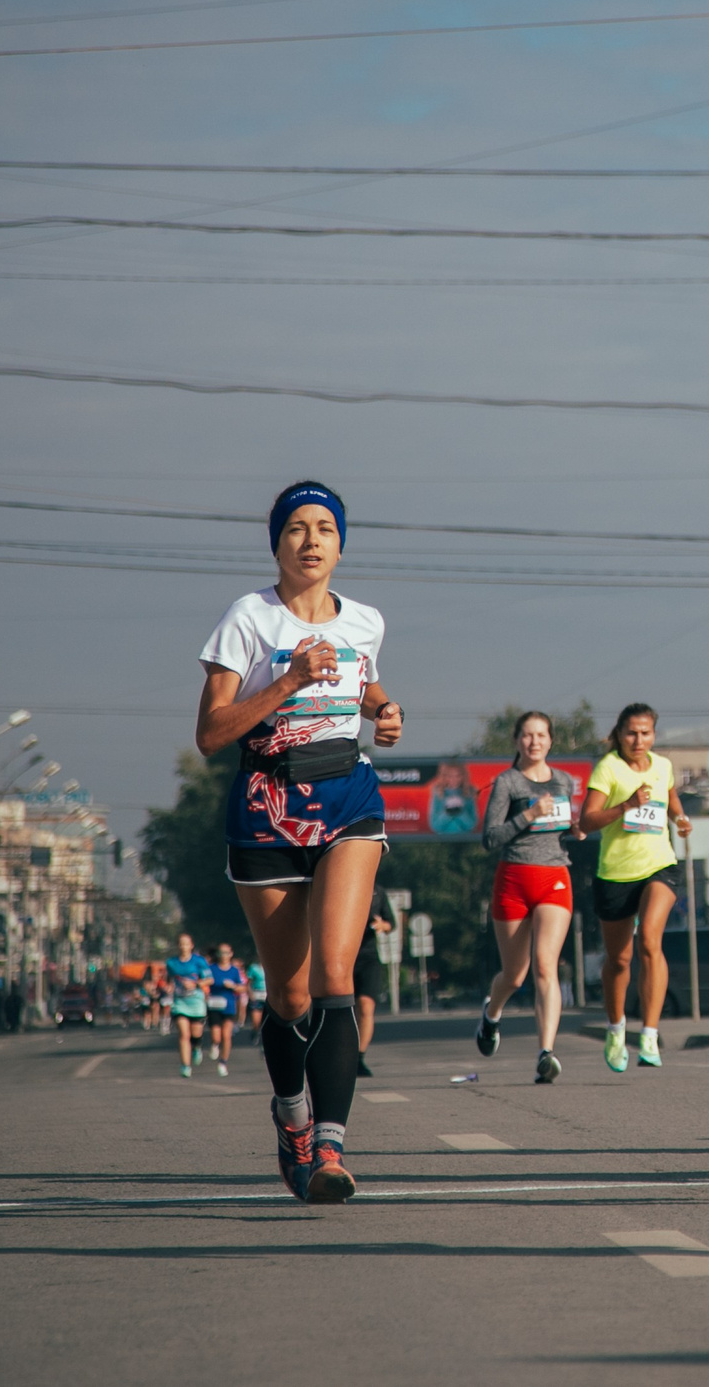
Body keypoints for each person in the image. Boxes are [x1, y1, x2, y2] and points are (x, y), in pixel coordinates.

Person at [197, 479, 403, 1204]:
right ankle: (291, 1119)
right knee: (288, 993)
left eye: (324, 528)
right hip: (267, 807)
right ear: (276, 543)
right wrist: (287, 680)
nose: (311, 540)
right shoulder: (247, 619)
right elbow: (211, 734)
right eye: (296, 529)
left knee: (335, 977)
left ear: (342, 544)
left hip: (348, 798)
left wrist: (384, 709)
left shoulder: (366, 622)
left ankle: (331, 1149)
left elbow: (364, 682)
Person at [578, 703, 687, 1073]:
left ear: (654, 734)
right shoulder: (609, 768)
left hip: (659, 864)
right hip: (616, 873)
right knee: (619, 959)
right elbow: (588, 820)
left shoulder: (663, 765)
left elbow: (671, 800)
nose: (638, 740)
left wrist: (682, 818)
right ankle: (615, 1027)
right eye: (631, 733)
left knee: (650, 942)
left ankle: (651, 1034)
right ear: (619, 734)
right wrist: (626, 805)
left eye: (645, 733)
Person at [476, 711, 582, 1083]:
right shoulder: (507, 783)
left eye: (541, 735)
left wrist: (576, 829)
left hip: (554, 876)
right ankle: (492, 1014)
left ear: (551, 741)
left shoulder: (565, 781)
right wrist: (529, 815)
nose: (534, 742)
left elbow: (564, 829)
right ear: (517, 741)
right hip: (513, 881)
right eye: (527, 735)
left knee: (544, 965)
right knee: (515, 975)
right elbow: (490, 838)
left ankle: (546, 1053)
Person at [353, 892, 390, 1077]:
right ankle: (340, 1056)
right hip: (342, 957)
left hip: (368, 959)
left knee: (366, 1006)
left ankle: (359, 1057)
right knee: (343, 1010)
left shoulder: (378, 892)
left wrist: (382, 925)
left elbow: (390, 923)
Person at [166, 934, 212, 1077]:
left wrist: (195, 984)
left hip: (196, 1001)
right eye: (180, 944)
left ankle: (197, 1046)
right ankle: (185, 1065)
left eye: (186, 944)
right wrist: (168, 987)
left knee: (195, 1034)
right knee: (183, 1034)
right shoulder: (171, 962)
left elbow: (209, 979)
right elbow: (169, 980)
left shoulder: (199, 961)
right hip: (180, 1002)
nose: (183, 946)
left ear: (191, 945)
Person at [205, 943, 248, 1075]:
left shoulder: (235, 971)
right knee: (216, 1036)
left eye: (226, 953)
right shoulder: (211, 969)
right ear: (217, 954)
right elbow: (205, 982)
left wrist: (233, 986)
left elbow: (243, 987)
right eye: (221, 953)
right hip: (214, 1005)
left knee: (226, 1035)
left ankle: (223, 1062)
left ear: (231, 954)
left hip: (229, 1006)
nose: (223, 955)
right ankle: (214, 1045)